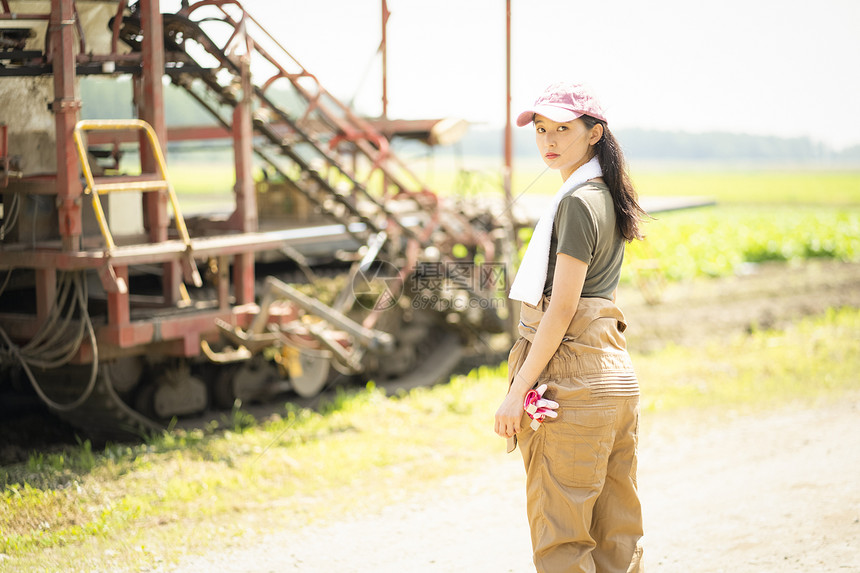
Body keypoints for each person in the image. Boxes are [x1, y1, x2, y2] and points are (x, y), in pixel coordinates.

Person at [494, 82, 646, 573]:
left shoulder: (577, 201)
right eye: (541, 129)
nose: (548, 140)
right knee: (616, 533)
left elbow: (560, 311)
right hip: (613, 373)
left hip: (573, 379)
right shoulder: (606, 195)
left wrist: (517, 391)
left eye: (563, 128)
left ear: (595, 133)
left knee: (563, 537)